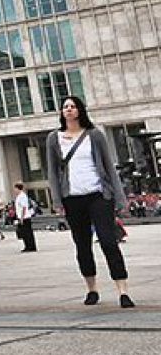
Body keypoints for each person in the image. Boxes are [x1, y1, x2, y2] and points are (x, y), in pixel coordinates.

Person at [45, 96, 134, 308]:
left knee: (108, 241)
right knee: (82, 245)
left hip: (98, 195)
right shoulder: (53, 138)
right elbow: (52, 172)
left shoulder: (95, 135)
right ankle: (92, 289)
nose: (68, 110)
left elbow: (109, 168)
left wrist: (119, 198)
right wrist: (57, 200)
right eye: (65, 107)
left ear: (80, 110)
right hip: (72, 198)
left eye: (73, 106)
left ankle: (123, 291)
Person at [14, 183, 38, 252]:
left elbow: (24, 207)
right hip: (21, 217)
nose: (14, 190)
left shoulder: (22, 196)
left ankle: (31, 247)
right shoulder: (19, 196)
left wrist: (22, 218)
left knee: (27, 233)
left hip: (25, 217)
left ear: (18, 188)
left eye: (15, 188)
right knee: (24, 233)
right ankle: (27, 246)